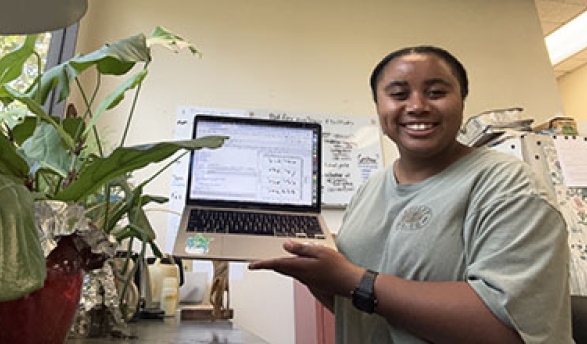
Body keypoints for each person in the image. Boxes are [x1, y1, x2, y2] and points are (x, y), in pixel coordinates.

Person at [249, 45, 573, 343]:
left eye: (436, 92)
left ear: (462, 99)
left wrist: (354, 280)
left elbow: (511, 332)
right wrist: (320, 276)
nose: (417, 106)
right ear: (379, 107)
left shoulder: (508, 186)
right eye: (399, 94)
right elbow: (365, 311)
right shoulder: (370, 189)